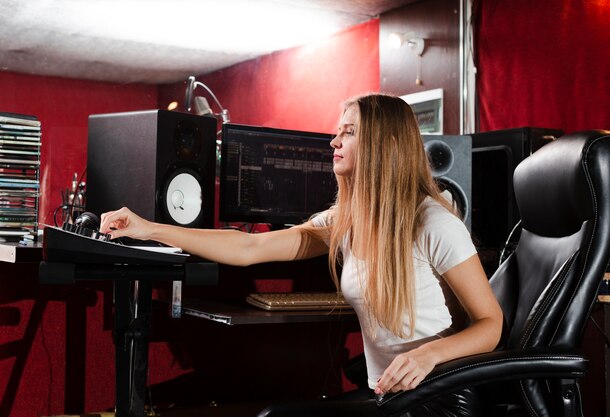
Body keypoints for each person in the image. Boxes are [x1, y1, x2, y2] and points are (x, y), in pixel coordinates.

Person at [99, 93, 503, 416]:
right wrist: (148, 228)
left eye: (348, 132)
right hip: (387, 397)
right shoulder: (346, 221)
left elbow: (491, 323)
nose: (333, 141)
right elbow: (250, 246)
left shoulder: (432, 222)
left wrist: (429, 354)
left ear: (388, 144)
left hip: (439, 400)